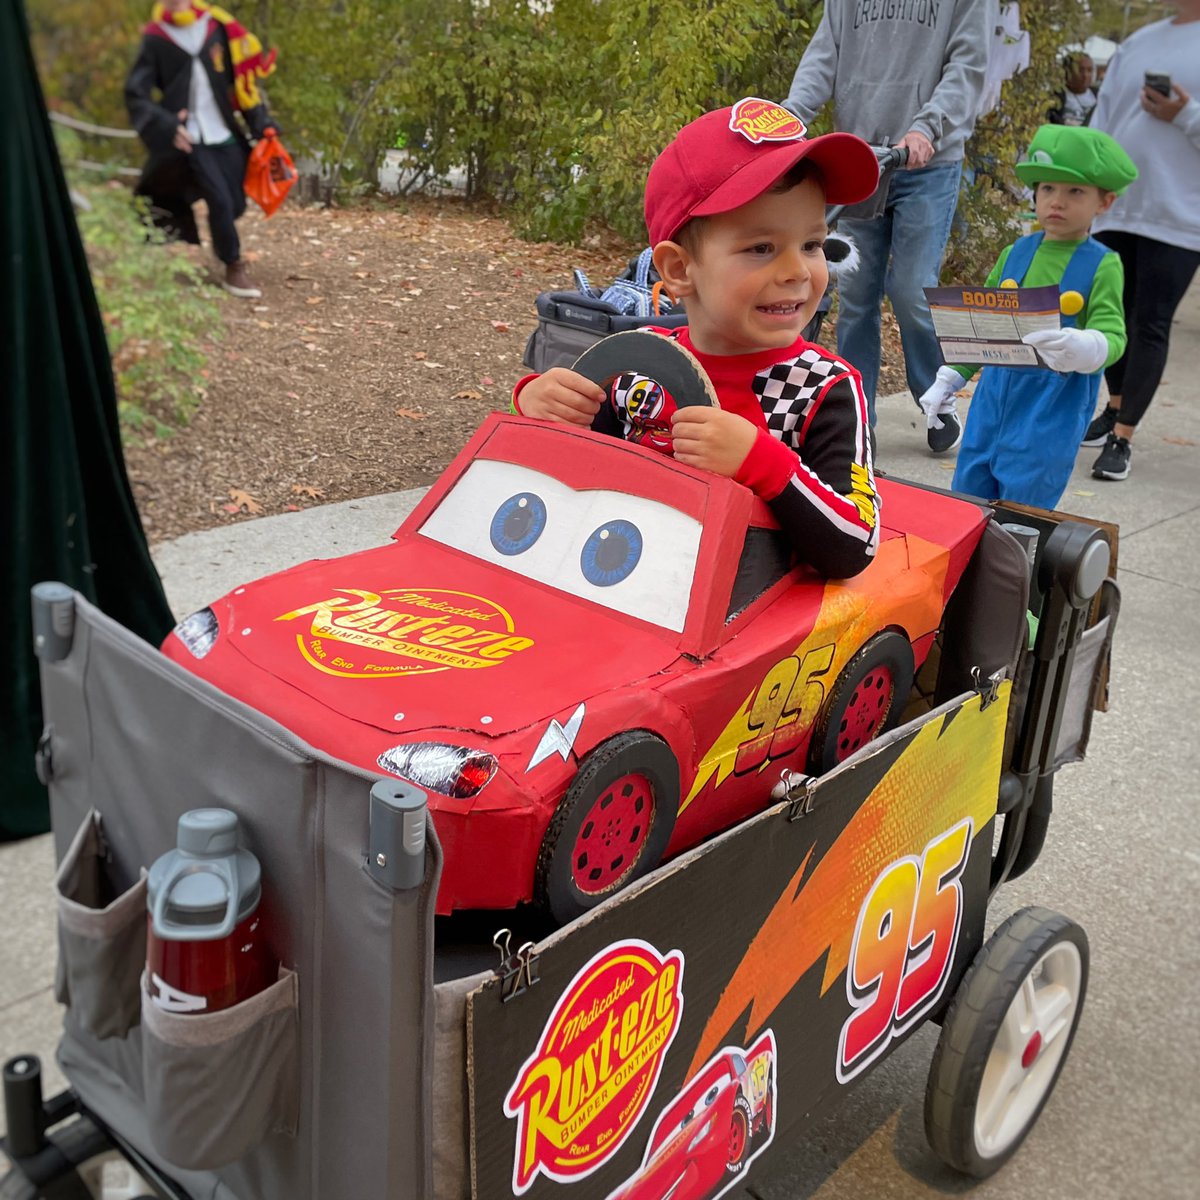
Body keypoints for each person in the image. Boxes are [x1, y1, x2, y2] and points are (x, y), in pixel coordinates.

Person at [512, 99, 882, 579]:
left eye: (811, 244)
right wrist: (542, 408)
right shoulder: (639, 364)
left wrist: (761, 462)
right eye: (762, 248)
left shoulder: (823, 387)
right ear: (679, 269)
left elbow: (855, 546)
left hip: (743, 606)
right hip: (613, 587)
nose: (797, 271)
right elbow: (570, 478)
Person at [781, 0, 990, 455]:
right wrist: (790, 117)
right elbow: (824, 55)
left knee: (912, 289)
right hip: (862, 158)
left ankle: (937, 394)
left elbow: (968, 65)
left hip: (928, 160)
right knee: (856, 297)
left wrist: (928, 127)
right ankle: (856, 420)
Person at [918, 125, 1136, 509]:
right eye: (1047, 188)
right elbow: (981, 327)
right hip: (991, 401)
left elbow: (1114, 334)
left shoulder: (1103, 264)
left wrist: (1087, 346)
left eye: (1075, 191)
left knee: (1024, 511)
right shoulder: (1015, 253)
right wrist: (950, 377)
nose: (1057, 201)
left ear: (1105, 202)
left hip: (1051, 410)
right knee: (966, 499)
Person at [1079, 0, 1200, 482]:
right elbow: (1103, 121)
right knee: (1111, 315)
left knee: (1150, 322)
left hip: (1179, 216)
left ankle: (1122, 437)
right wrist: (1086, 186)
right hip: (1117, 208)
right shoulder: (1139, 42)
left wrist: (1186, 114)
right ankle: (1115, 405)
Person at [125, 0, 279, 299]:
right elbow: (136, 93)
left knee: (234, 202)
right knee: (219, 199)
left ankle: (221, 236)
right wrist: (166, 125)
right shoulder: (156, 37)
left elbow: (241, 81)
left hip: (223, 130)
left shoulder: (216, 27)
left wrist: (261, 123)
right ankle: (233, 264)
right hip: (189, 137)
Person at [1048, 53, 1097, 127]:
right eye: (1080, 70)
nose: (1085, 75)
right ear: (1067, 72)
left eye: (1089, 70)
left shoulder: (1099, 96)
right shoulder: (1054, 97)